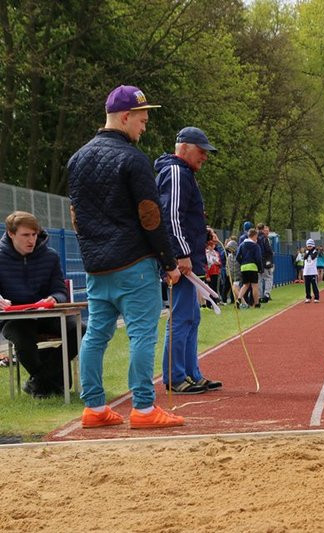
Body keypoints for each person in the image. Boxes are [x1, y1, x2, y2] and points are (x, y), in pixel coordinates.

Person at [67, 84, 183, 429]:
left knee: (96, 335)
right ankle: (144, 409)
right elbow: (150, 214)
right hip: (134, 264)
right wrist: (168, 260)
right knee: (143, 335)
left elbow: (76, 215)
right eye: (143, 119)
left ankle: (94, 407)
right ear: (125, 116)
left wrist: (91, 253)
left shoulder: (77, 159)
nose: (145, 125)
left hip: (96, 266)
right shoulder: (133, 159)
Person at [155, 127, 223, 395]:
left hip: (189, 257)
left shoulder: (185, 173)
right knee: (182, 317)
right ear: (183, 147)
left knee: (191, 317)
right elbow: (170, 216)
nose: (205, 157)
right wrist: (181, 253)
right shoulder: (175, 172)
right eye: (201, 151)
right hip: (181, 260)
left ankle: (192, 373)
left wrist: (202, 233)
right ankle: (175, 377)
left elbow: (183, 216)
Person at [0, 211, 84, 398]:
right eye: (25, 235)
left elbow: (59, 291)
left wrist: (53, 299)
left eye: (34, 234)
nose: (31, 240)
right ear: (11, 234)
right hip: (14, 318)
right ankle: (51, 381)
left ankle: (39, 382)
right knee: (23, 339)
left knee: (80, 329)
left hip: (46, 313)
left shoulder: (50, 256)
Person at [236, 228, 262, 308]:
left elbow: (237, 257)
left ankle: (238, 299)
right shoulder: (255, 246)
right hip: (253, 267)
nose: (256, 238)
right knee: (255, 286)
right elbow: (258, 258)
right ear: (254, 236)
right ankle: (257, 303)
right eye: (256, 237)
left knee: (245, 285)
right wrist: (260, 267)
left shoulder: (242, 245)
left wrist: (242, 262)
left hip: (244, 267)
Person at [257, 224, 274, 302]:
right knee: (268, 278)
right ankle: (266, 295)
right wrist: (271, 253)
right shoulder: (264, 238)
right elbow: (268, 250)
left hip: (258, 261)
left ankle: (259, 296)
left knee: (259, 279)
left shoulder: (255, 237)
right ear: (263, 229)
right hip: (266, 261)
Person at [303, 239, 320, 303]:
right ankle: (308, 297)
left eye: (310, 246)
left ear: (313, 246)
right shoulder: (306, 252)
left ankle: (316, 297)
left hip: (313, 272)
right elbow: (304, 257)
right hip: (306, 271)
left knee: (314, 285)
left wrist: (310, 251)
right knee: (307, 286)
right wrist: (308, 252)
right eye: (308, 246)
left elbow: (313, 257)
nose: (309, 247)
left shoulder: (315, 252)